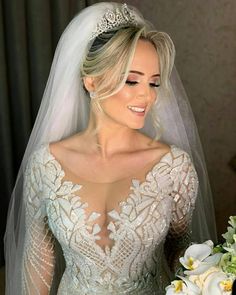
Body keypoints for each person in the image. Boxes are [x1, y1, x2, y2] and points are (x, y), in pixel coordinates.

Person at [4, 2, 217, 294]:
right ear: (91, 81)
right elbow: (38, 261)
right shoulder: (47, 164)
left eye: (154, 83)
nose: (147, 95)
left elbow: (184, 257)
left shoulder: (173, 167)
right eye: (131, 80)